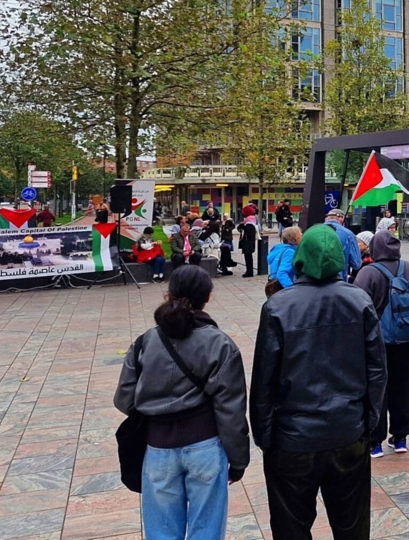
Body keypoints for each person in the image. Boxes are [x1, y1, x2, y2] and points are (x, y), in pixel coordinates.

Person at [249, 225, 386, 540]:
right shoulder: (359, 301)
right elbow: (377, 370)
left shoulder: (278, 307)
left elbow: (263, 381)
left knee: (291, 528)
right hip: (346, 430)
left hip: (293, 437)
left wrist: (265, 437)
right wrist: (368, 421)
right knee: (351, 526)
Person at [114, 266, 249, 540]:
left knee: (161, 533)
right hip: (206, 447)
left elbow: (124, 399)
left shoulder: (144, 342)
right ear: (208, 296)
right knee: (207, 532)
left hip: (158, 447)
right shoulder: (220, 344)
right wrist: (238, 461)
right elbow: (231, 412)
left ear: (169, 293)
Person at [354, 230, 409, 459]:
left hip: (375, 339)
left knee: (376, 387)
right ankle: (400, 436)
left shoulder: (368, 273)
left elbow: (357, 306)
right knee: (402, 385)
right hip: (403, 336)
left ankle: (375, 441)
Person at [323, 209, 362, 282]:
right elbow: (356, 264)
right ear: (342, 219)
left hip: (313, 285)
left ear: (326, 219)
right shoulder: (348, 234)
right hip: (338, 283)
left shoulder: (311, 233)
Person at [267, 226, 301, 291]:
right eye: (300, 233)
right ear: (294, 238)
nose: (302, 235)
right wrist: (291, 290)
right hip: (283, 288)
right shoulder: (290, 252)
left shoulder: (279, 249)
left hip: (275, 286)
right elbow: (281, 273)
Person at [238, 214, 258, 278]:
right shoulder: (251, 224)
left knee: (248, 258)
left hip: (248, 244)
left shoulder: (250, 225)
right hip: (249, 243)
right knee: (248, 257)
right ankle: (249, 271)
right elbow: (239, 229)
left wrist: (242, 225)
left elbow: (246, 230)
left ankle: (249, 272)